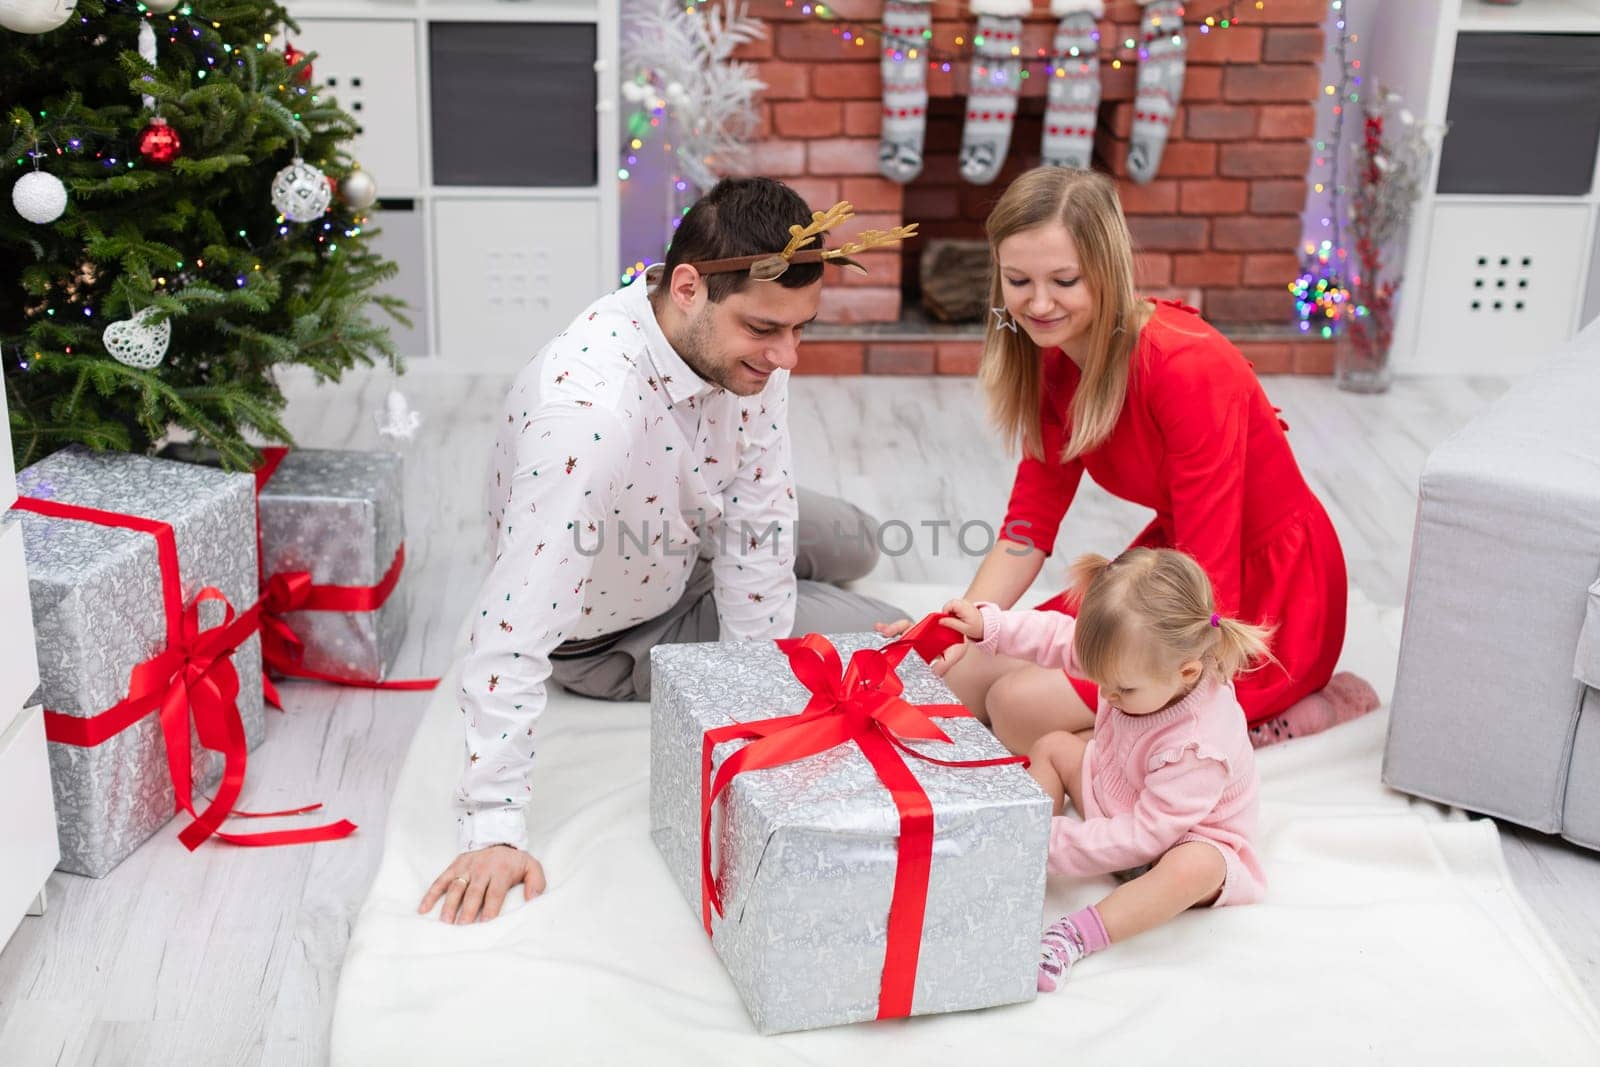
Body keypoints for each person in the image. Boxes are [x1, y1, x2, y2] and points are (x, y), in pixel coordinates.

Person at [419, 179, 915, 924]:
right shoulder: (587, 416)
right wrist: (492, 825)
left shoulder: (737, 346)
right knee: (892, 631)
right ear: (688, 286)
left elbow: (760, 510)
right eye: (765, 329)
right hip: (618, 630)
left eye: (800, 328)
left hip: (683, 534)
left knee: (858, 540)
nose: (788, 357)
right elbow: (511, 623)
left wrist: (756, 675)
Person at [881, 165, 1377, 752]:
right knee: (956, 678)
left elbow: (1210, 567)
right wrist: (959, 620)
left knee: (1017, 708)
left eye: (1065, 281)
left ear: (1107, 271)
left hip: (1256, 590)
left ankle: (1268, 718)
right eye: (1018, 281)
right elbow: (1028, 525)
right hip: (1169, 562)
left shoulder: (1186, 368)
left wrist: (1153, 661)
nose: (1039, 304)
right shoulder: (1051, 358)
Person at [933, 547, 1270, 990]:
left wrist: (1053, 841)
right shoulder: (1134, 665)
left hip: (1177, 837)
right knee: (1054, 745)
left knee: (1196, 868)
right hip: (1121, 795)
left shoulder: (1199, 745)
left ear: (1187, 672)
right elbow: (1055, 638)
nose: (1107, 696)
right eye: (1101, 679)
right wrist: (988, 625)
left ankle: (1077, 934)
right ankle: (1015, 857)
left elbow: (1145, 836)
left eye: (1123, 689)